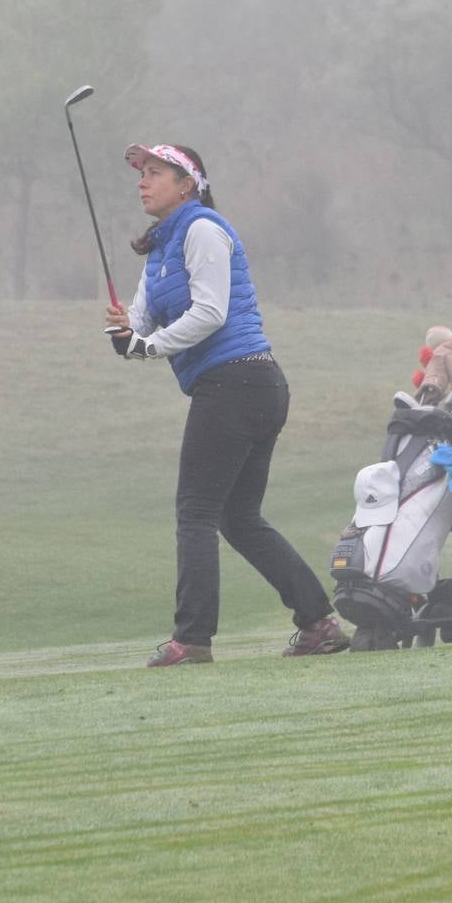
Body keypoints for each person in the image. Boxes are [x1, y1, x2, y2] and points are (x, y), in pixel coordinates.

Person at [105, 142, 350, 666]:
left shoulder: (202, 230)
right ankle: (319, 623)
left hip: (236, 384)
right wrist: (125, 331)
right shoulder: (160, 248)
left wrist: (149, 345)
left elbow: (211, 313)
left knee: (195, 511)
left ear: (187, 184)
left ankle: (192, 639)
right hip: (246, 387)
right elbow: (141, 322)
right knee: (238, 517)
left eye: (155, 173)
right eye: (141, 173)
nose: (143, 182)